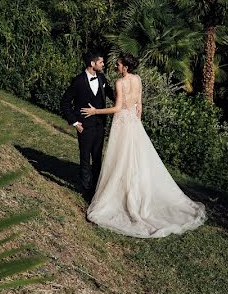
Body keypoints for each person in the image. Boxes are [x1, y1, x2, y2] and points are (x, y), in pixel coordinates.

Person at [80, 52, 206, 238]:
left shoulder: (120, 83)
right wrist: (136, 120)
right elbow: (140, 103)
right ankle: (131, 193)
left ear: (126, 67)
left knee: (121, 159)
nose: (116, 66)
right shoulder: (137, 79)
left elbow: (116, 108)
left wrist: (95, 111)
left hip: (122, 123)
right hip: (133, 123)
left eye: (119, 64)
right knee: (134, 160)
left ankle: (121, 195)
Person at [60, 51, 114, 201]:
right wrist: (75, 123)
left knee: (97, 158)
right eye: (101, 62)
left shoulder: (102, 78)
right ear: (92, 64)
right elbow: (65, 103)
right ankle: (86, 191)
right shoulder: (78, 81)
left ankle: (96, 189)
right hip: (85, 127)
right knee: (85, 158)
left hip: (100, 126)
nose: (103, 64)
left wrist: (128, 95)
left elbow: (113, 95)